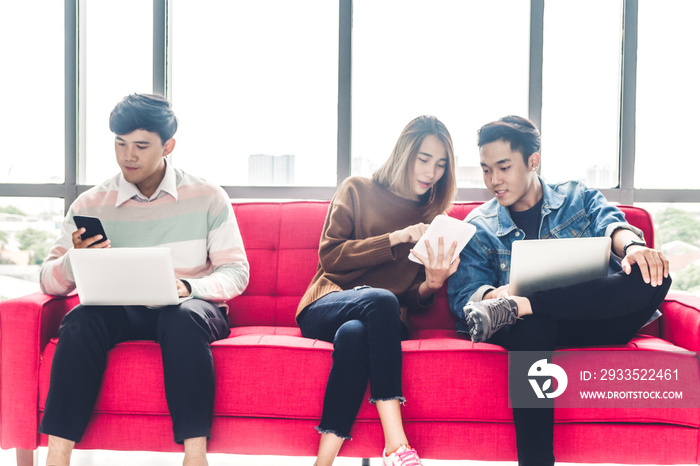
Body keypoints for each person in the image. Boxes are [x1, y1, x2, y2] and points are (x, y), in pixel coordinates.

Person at [447, 115, 671, 466]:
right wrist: (498, 297)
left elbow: (613, 225)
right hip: (534, 332)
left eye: (503, 167)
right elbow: (467, 298)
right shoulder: (480, 225)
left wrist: (632, 248)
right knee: (531, 327)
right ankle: (525, 310)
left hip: (595, 319)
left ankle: (527, 305)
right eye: (486, 169)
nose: (493, 180)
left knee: (655, 275)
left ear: (533, 161)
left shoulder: (575, 197)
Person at [38, 93, 249, 466]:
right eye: (119, 144)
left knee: (179, 317)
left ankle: (194, 457)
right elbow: (48, 282)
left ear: (168, 146)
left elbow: (236, 273)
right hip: (120, 310)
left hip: (191, 309)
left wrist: (189, 288)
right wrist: (76, 261)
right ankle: (57, 457)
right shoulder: (90, 204)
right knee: (79, 321)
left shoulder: (207, 197)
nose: (127, 156)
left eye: (140, 145)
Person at [296, 115, 458, 466]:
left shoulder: (433, 218)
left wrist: (432, 283)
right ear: (404, 153)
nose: (432, 172)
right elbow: (331, 256)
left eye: (441, 165)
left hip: (383, 320)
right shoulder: (356, 189)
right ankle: (396, 443)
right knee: (379, 300)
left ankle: (322, 463)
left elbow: (413, 298)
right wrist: (395, 239)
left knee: (355, 335)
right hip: (327, 302)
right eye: (424, 159)